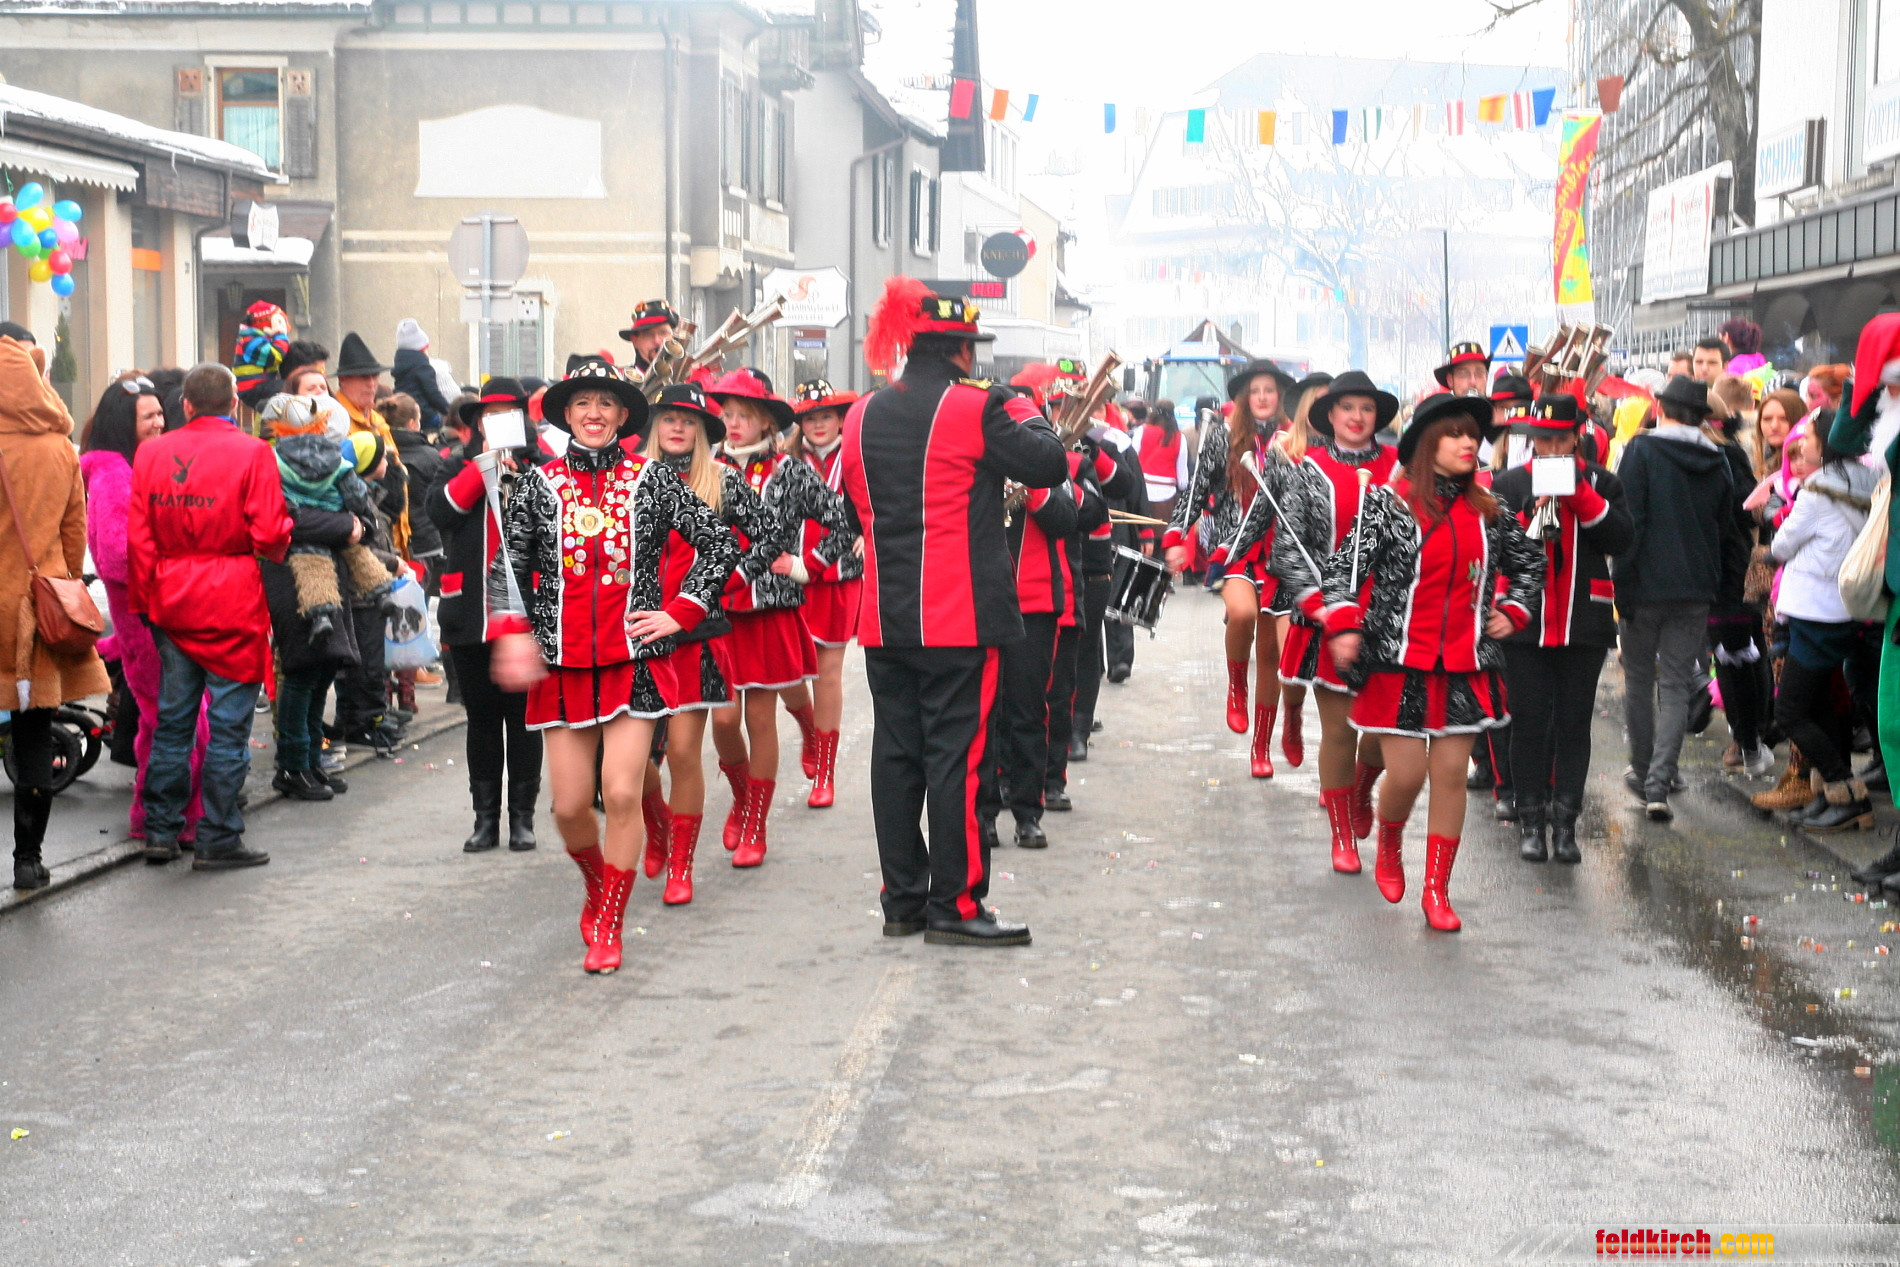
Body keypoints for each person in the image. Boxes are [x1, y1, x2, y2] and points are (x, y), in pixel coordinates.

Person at [838, 278, 1067, 947]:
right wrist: (1024, 405)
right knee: (957, 761)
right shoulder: (979, 405)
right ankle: (956, 902)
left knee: (896, 756)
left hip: (885, 616)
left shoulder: (860, 414)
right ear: (965, 351)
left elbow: (854, 509)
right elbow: (1049, 462)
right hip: (959, 617)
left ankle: (903, 900)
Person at [489, 356, 737, 973]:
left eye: (605, 403)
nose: (594, 413)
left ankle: (611, 923)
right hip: (563, 665)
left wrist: (680, 612)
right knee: (569, 808)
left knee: (622, 791)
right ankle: (598, 883)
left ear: (624, 415)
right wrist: (514, 634)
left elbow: (719, 544)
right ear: (567, 415)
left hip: (636, 663)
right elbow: (507, 569)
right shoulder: (537, 486)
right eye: (582, 403)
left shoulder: (652, 480)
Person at [1322, 393, 1543, 931]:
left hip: (1465, 664)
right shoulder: (1388, 505)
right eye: (1455, 434)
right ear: (1426, 444)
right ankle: (1390, 840)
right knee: (1408, 773)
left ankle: (1437, 891)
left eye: (1473, 435)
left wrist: (1515, 609)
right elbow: (1341, 572)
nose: (1470, 444)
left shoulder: (1491, 510)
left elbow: (1531, 562)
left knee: (1448, 774)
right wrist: (1345, 626)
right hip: (1397, 663)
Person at [1225, 370, 1399, 869]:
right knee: (1340, 732)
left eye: (1367, 408)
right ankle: (1342, 836)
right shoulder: (1308, 470)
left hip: (1389, 621)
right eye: (1348, 408)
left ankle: (1363, 785)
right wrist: (1322, 607)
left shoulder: (1399, 468)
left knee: (1385, 735)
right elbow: (1287, 549)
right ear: (1331, 415)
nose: (1357, 417)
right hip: (1325, 618)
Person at [127, 362, 293, 870]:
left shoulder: (151, 453)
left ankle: (161, 830)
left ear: (185, 405)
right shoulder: (253, 452)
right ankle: (218, 834)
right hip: (232, 601)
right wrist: (276, 543)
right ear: (235, 404)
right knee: (227, 729)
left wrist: (147, 603)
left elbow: (139, 538)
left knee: (173, 724)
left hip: (173, 598)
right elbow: (270, 533)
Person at [704, 368, 855, 863]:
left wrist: (809, 566)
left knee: (758, 718)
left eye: (744, 415)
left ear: (767, 422)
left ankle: (756, 824)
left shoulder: (789, 471)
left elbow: (842, 520)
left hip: (769, 608)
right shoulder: (706, 467)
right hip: (717, 609)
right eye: (727, 414)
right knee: (724, 722)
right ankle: (742, 795)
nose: (733, 423)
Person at [640, 381, 779, 900]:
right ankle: (657, 824)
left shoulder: (722, 480)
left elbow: (771, 535)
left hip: (697, 635)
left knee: (682, 751)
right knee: (634, 762)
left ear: (701, 431)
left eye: (688, 421)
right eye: (668, 418)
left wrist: (731, 578)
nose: (677, 427)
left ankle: (683, 863)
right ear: (655, 426)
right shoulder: (631, 480)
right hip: (635, 635)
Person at [1490, 396, 1633, 863]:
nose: (1550, 447)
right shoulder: (1510, 483)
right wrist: (1529, 513)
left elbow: (1621, 539)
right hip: (1525, 623)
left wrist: (1578, 494)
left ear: (1576, 437)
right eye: (1542, 439)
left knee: (1573, 724)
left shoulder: (1603, 482)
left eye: (1559, 439)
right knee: (1528, 721)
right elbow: (1495, 550)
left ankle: (1566, 825)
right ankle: (1531, 821)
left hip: (1583, 620)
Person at [81, 373, 210, 846]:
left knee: (166, 724)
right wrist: (178, 562)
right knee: (184, 724)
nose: (159, 422)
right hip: (147, 618)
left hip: (156, 614)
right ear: (123, 422)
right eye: (148, 416)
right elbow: (118, 555)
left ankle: (158, 817)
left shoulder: (133, 465)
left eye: (160, 413)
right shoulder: (115, 474)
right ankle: (175, 819)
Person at [1, 335, 110, 890]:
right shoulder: (58, 447)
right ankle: (28, 859)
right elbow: (74, 537)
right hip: (32, 612)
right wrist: (62, 580)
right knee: (34, 734)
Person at [1613, 376, 1746, 821]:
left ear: (1660, 409)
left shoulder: (1641, 450)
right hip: (1696, 588)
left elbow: (1631, 523)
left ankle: (1644, 772)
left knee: (1638, 681)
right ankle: (1659, 784)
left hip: (1645, 585)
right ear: (1701, 418)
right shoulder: (1718, 459)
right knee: (1674, 686)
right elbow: (1725, 529)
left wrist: (1622, 586)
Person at [427, 378, 546, 854]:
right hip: (470, 612)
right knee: (481, 718)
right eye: (489, 416)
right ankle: (484, 820)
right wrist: (484, 470)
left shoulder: (541, 469)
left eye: (508, 415)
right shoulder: (454, 465)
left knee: (523, 719)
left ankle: (522, 819)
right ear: (477, 424)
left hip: (524, 613)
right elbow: (443, 512)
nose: (498, 424)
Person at [1162, 360, 1296, 774]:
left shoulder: (1294, 439)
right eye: (1254, 390)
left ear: (1279, 396)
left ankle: (1262, 747)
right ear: (1243, 397)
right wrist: (1175, 536)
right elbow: (1197, 489)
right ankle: (1237, 683)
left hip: (1281, 553)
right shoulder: (1222, 437)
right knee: (1241, 613)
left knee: (1274, 655)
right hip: (1234, 546)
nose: (1262, 397)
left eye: (1269, 390)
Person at [1767, 424, 1882, 832]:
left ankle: (1846, 790)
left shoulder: (1817, 492)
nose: (1800, 446)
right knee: (1823, 706)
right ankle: (1835, 797)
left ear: (1828, 445)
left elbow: (1781, 545)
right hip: (1845, 609)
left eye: (1809, 440)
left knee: (1790, 712)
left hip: (1814, 612)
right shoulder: (1871, 481)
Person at [779, 378, 863, 809]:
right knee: (788, 673)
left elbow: (877, 503)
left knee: (827, 673)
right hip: (789, 575)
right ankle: (809, 728)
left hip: (838, 574)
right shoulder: (784, 460)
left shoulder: (859, 457)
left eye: (825, 416)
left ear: (840, 419)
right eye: (809, 417)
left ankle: (825, 772)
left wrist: (868, 533)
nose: (817, 424)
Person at [332, 332, 410, 556]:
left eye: (374, 377)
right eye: (364, 377)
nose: (372, 383)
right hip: (363, 536)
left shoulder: (376, 419)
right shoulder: (335, 420)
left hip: (391, 533)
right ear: (344, 380)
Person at [1134, 396, 1189, 527]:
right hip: (1166, 499)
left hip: (1141, 495)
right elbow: (1182, 482)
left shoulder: (1142, 431)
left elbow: (1131, 462)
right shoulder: (1180, 438)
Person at [392, 320, 454, 434]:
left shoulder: (400, 366)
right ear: (422, 349)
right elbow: (433, 394)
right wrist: (450, 411)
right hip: (424, 415)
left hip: (403, 414)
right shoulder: (423, 367)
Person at [619, 300, 680, 375]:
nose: (657, 341)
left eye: (663, 332)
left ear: (673, 337)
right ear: (635, 341)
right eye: (648, 335)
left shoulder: (689, 378)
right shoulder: (620, 378)